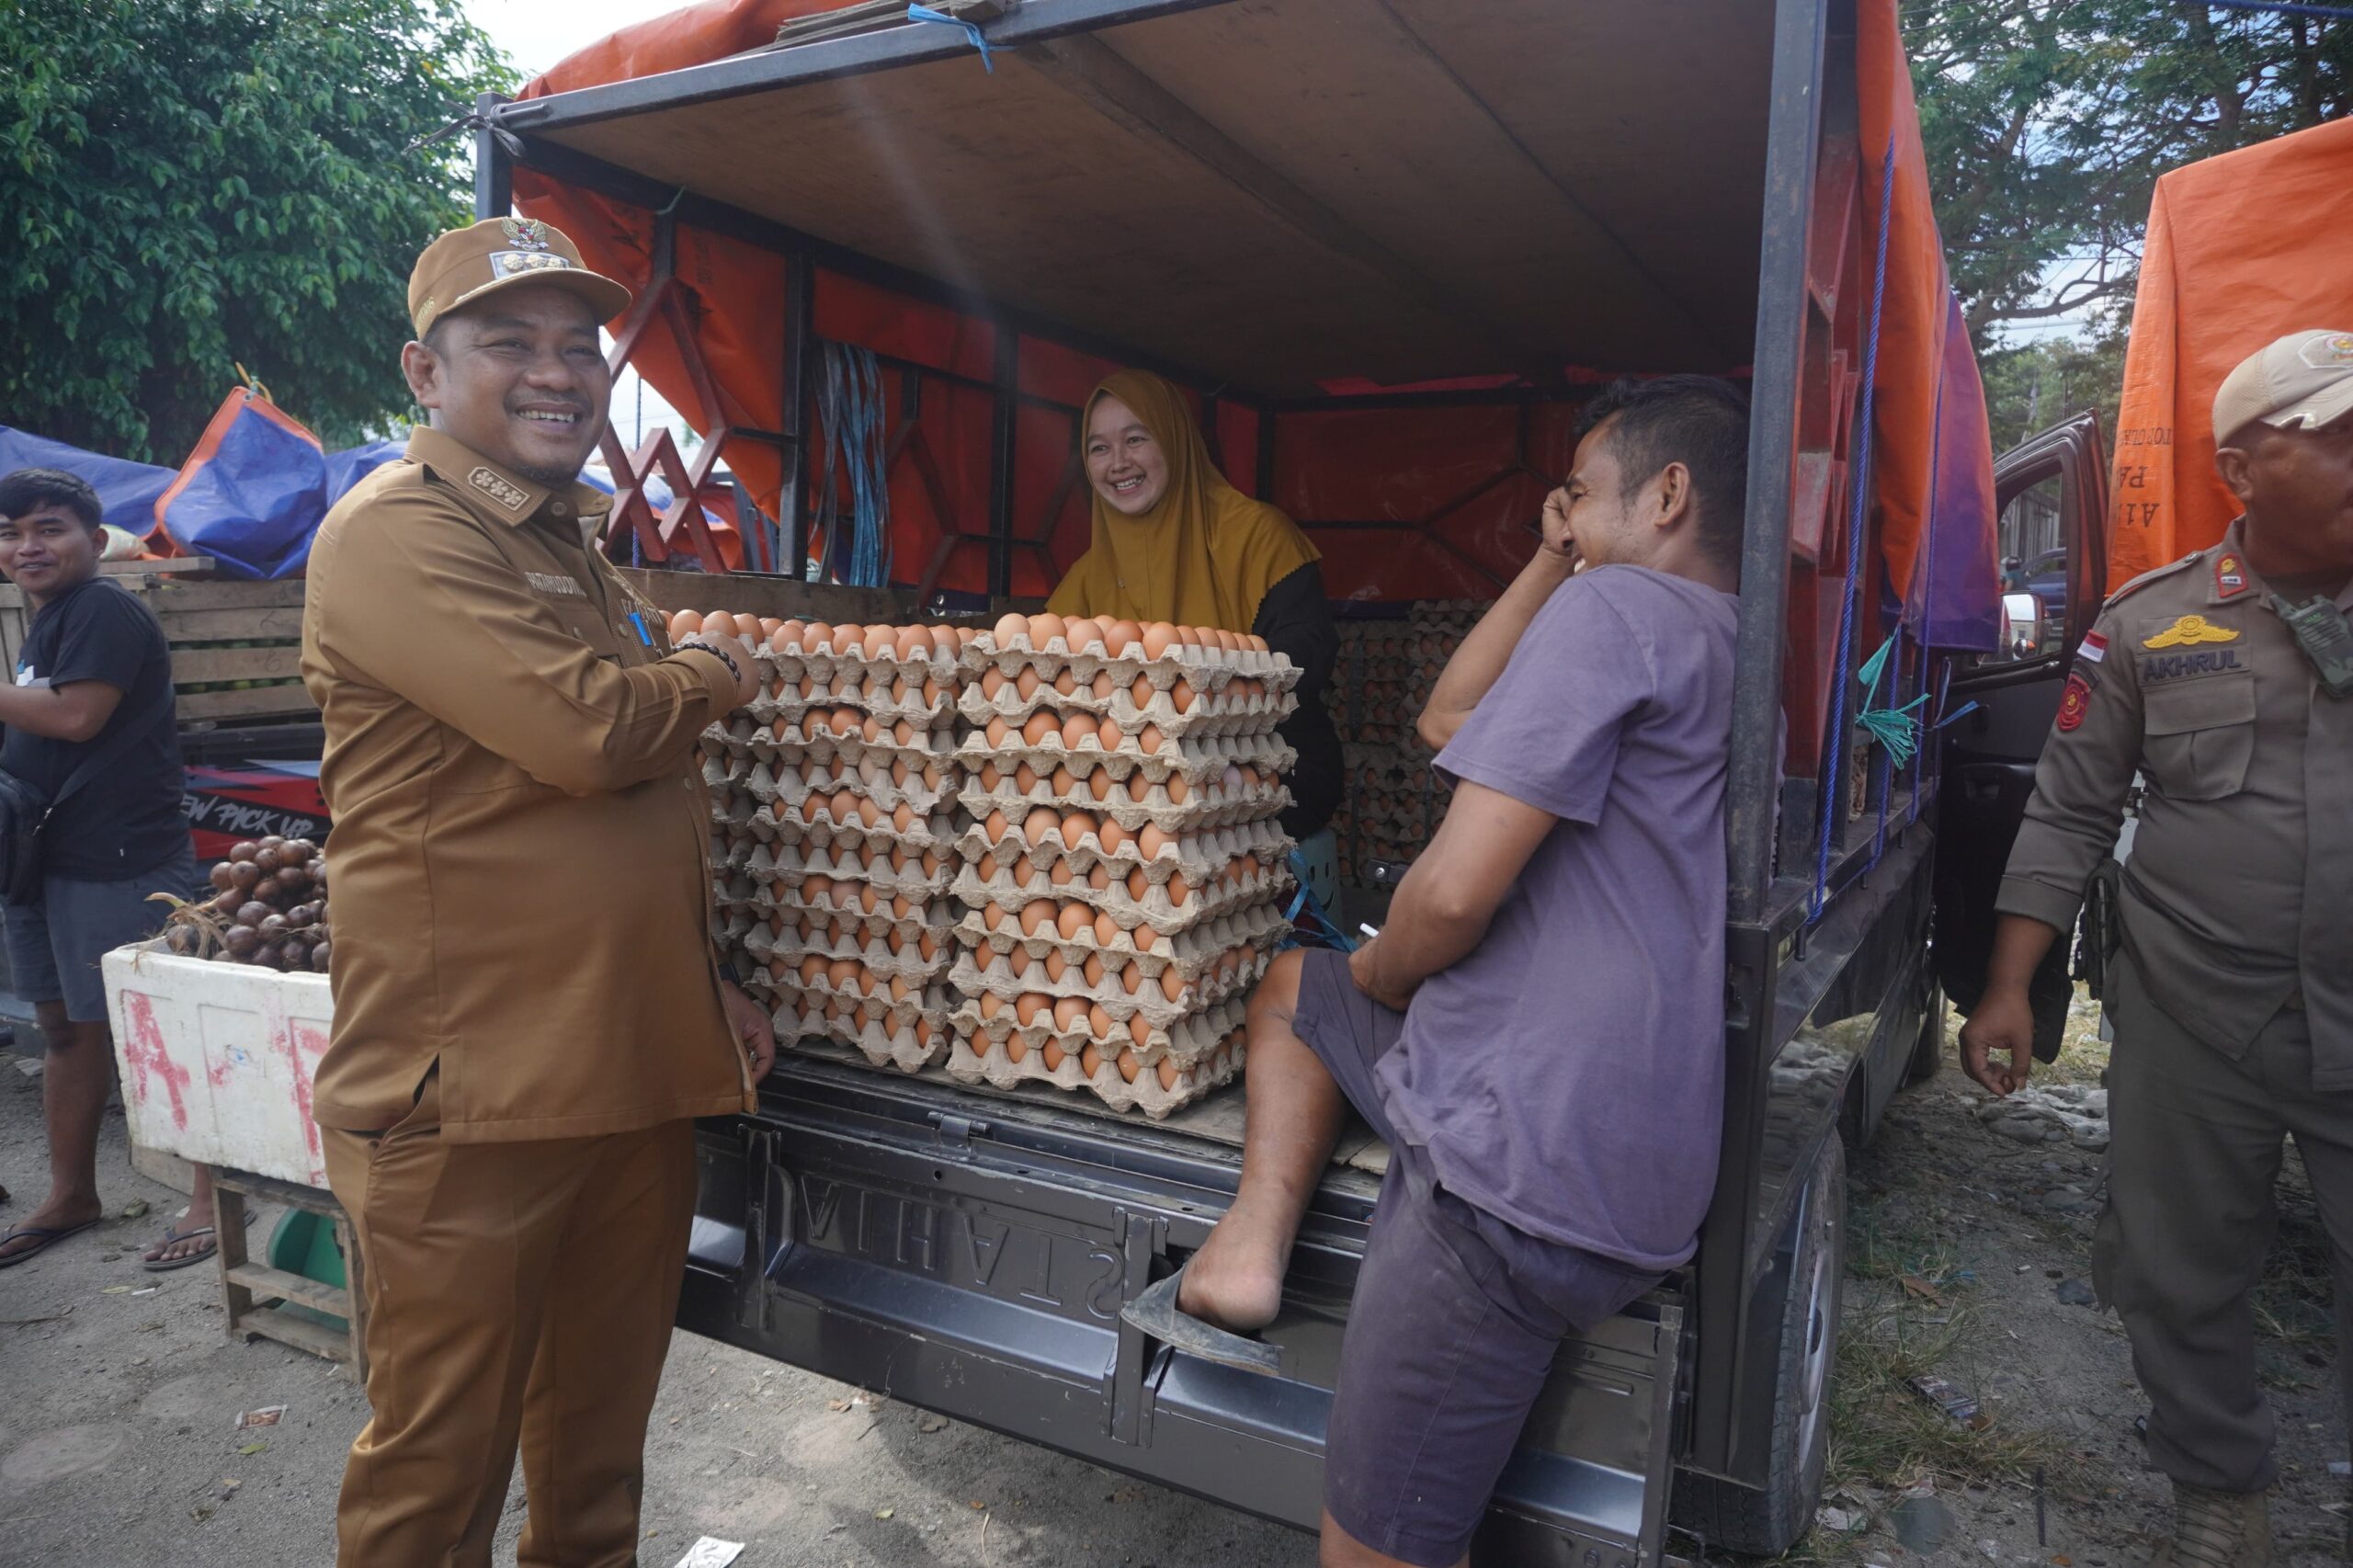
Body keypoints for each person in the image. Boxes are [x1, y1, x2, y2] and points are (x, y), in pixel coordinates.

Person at [1142, 376, 1748, 1568]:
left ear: (1668, 493)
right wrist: (1552, 560)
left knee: (1379, 1548)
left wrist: (1391, 975)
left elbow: (1455, 891)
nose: (1563, 516)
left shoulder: (1621, 609)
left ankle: (1255, 1240)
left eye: (1577, 490)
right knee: (1294, 985)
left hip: (1510, 1167)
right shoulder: (1730, 641)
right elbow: (1448, 717)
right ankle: (1249, 1248)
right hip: (1638, 1164)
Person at [300, 215, 775, 1566]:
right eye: (510, 342)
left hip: (625, 1074)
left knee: (594, 1455)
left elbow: (640, 802)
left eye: (582, 346)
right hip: (471, 1103)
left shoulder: (570, 544)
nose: (559, 370)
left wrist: (708, 977)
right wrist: (719, 673)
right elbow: (594, 735)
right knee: (435, 1476)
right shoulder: (394, 532)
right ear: (424, 373)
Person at [1961, 328, 2353, 1568]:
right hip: (2198, 1016)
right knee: (2178, 1269)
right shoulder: (2152, 626)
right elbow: (2070, 807)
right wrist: (2010, 987)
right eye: (2337, 436)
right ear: (2243, 469)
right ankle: (2217, 1495)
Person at [0, 468, 210, 1271]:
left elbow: (75, 716)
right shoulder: (49, 617)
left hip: (118, 859)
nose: (28, 546)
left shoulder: (104, 609)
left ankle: (205, 1197)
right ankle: (71, 1195)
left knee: (158, 1029)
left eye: (48, 528)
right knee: (61, 1029)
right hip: (43, 862)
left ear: (95, 539)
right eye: (13, 534)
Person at [1045, 369, 1343, 861]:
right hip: (1132, 778)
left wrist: (1200, 706)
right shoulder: (1085, 577)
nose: (1118, 462)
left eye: (1136, 439)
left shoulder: (1255, 535)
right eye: (1098, 448)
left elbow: (1307, 653)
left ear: (1176, 440)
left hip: (1267, 763)